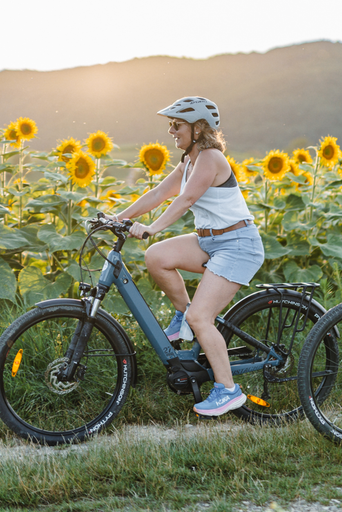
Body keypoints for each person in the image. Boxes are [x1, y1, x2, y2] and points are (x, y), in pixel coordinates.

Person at [112, 96, 265, 417]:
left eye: (176, 124)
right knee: (157, 257)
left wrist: (152, 227)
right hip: (210, 241)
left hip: (238, 244)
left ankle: (228, 390)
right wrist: (116, 219)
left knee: (202, 317)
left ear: (198, 128)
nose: (171, 130)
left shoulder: (210, 158)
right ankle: (185, 315)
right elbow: (157, 194)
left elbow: (185, 200)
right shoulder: (189, 161)